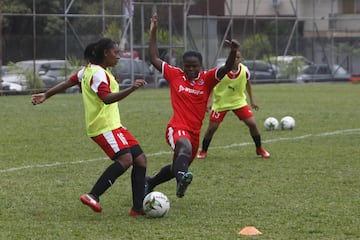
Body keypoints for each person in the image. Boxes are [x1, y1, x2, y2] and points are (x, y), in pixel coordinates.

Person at [32, 38, 148, 216]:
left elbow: (69, 82)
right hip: (103, 126)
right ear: (105, 53)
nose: (119, 56)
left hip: (115, 125)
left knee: (140, 159)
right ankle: (93, 195)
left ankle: (138, 207)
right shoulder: (98, 73)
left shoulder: (89, 70)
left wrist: (46, 94)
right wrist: (131, 89)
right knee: (126, 160)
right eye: (116, 53)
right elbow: (106, 98)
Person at [145, 14, 240, 198]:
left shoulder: (207, 79)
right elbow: (154, 58)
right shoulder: (175, 75)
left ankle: (151, 182)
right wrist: (153, 32)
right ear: (182, 65)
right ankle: (182, 181)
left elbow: (227, 68)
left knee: (176, 167)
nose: (190, 69)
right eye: (187, 66)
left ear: (200, 66)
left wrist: (233, 51)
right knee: (184, 148)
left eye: (194, 66)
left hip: (195, 132)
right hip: (177, 128)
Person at [197, 49, 270, 159]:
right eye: (234, 57)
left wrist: (252, 100)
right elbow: (211, 84)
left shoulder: (245, 70)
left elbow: (248, 84)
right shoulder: (222, 71)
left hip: (238, 102)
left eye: (238, 57)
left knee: (252, 124)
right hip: (221, 103)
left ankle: (259, 149)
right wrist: (209, 100)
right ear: (229, 58)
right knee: (212, 128)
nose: (236, 60)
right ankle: (203, 151)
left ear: (241, 59)